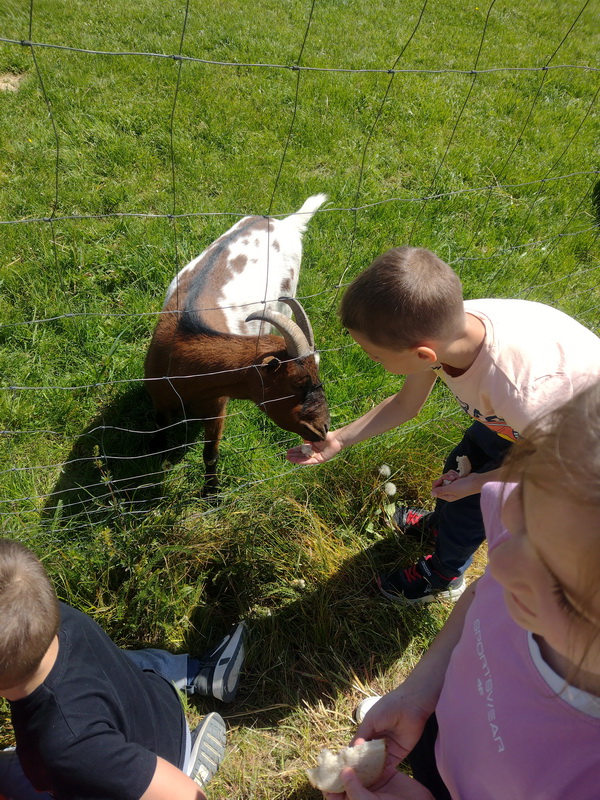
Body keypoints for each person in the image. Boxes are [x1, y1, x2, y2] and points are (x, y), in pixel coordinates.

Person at [319, 382, 600, 800]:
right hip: (439, 720)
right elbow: (480, 598)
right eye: (520, 522)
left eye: (562, 590)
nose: (501, 564)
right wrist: (420, 692)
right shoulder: (554, 531)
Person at [287, 246, 600, 603]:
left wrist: (478, 484)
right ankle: (442, 526)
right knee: (463, 460)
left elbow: (557, 469)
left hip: (575, 450)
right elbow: (406, 404)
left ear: (423, 354)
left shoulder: (519, 391)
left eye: (374, 355)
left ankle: (444, 575)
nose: (371, 360)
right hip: (522, 424)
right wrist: (340, 439)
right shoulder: (442, 328)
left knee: (475, 503)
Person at [0, 538, 247, 800]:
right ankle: (196, 671)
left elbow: (186, 795)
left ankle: (185, 766)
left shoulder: (64, 747)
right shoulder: (45, 614)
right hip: (160, 707)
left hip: (157, 766)